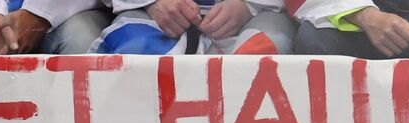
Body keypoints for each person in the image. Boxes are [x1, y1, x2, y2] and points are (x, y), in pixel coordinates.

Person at [91, 0, 295, 56]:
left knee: (264, 54)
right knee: (132, 57)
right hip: (149, 14)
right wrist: (153, 2)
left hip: (254, 17)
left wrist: (247, 6)